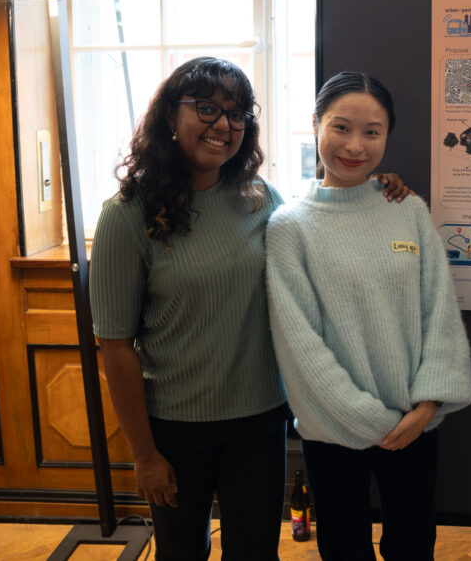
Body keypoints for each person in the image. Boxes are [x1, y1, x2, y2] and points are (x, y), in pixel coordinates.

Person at [90, 57, 409, 560]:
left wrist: (376, 190)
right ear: (170, 115)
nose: (223, 125)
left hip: (260, 421)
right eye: (207, 109)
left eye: (236, 114)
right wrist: (144, 455)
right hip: (176, 428)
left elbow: (321, 236)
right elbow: (115, 345)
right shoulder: (127, 214)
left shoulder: (260, 198)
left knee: (256, 552)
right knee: (181, 552)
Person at [266, 71, 471, 560]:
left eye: (372, 132)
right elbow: (299, 343)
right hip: (333, 425)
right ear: (315, 124)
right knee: (344, 546)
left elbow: (439, 310)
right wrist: (371, 420)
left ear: (387, 136)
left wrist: (427, 405)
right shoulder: (290, 226)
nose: (355, 146)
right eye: (340, 127)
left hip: (414, 420)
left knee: (413, 543)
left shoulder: (407, 209)